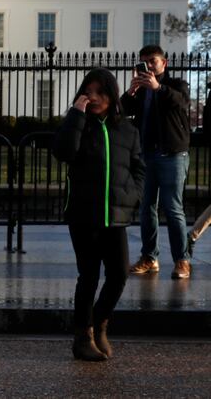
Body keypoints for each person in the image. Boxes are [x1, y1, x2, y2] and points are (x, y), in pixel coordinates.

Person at [53, 68, 145, 361]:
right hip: (83, 215)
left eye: (99, 92)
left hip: (116, 215)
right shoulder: (78, 124)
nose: (92, 97)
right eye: (88, 91)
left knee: (119, 274)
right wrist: (76, 115)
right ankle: (82, 338)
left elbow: (139, 168)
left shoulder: (127, 130)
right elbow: (64, 152)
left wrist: (133, 195)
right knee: (89, 276)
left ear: (111, 95)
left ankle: (99, 323)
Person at [121, 45, 192, 279]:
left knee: (173, 209)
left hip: (172, 155)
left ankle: (182, 261)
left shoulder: (176, 85)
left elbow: (179, 102)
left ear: (165, 63)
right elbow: (121, 110)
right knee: (146, 208)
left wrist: (158, 87)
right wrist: (131, 91)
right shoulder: (141, 90)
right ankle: (149, 258)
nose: (149, 66)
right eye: (144, 62)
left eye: (153, 61)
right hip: (147, 156)